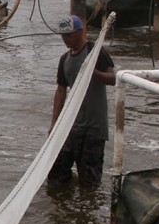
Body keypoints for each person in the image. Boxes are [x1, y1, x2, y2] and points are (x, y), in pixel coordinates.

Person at [48, 15, 116, 188]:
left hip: (94, 127)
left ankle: (86, 211)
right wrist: (54, 123)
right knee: (56, 174)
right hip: (71, 126)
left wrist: (95, 73)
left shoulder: (95, 52)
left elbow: (113, 78)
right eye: (63, 35)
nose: (65, 39)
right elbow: (60, 91)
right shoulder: (64, 60)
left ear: (80, 32)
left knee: (90, 181)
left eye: (69, 35)